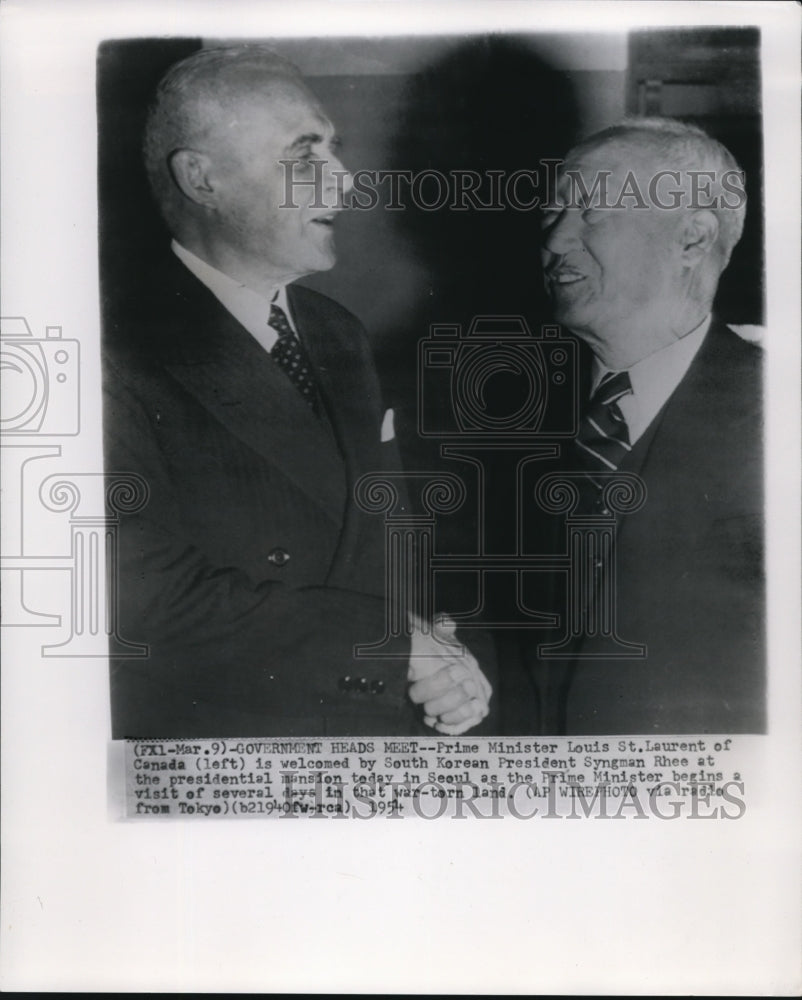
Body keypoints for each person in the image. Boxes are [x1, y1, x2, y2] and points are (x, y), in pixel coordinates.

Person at [102, 44, 491, 738]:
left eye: (333, 151)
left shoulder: (336, 332)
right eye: (304, 153)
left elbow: (384, 541)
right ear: (201, 178)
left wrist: (439, 650)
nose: (342, 182)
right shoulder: (113, 349)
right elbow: (140, 599)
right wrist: (392, 647)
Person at [525, 117, 763, 734]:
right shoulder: (509, 416)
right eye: (552, 214)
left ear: (691, 238)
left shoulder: (778, 420)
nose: (554, 241)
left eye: (590, 213)